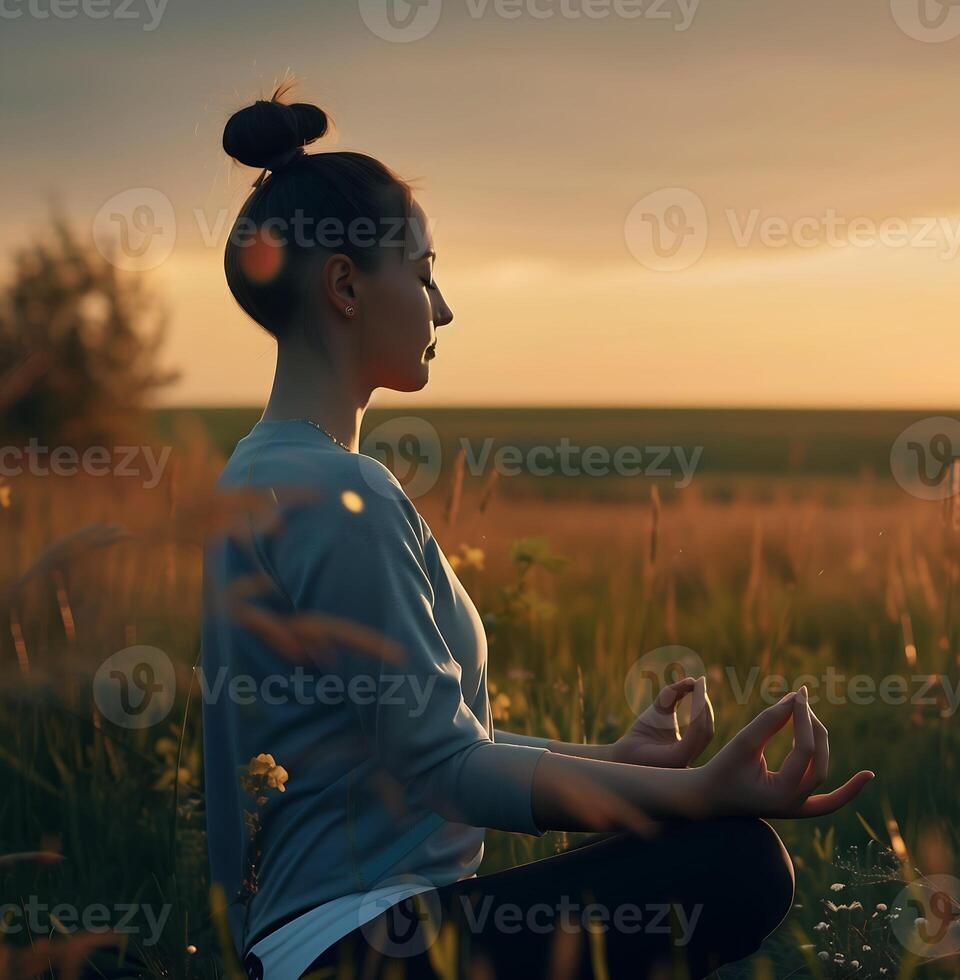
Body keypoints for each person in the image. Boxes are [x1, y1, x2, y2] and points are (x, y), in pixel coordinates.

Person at [199, 85, 875, 979]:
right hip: (360, 947)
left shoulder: (263, 472)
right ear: (347, 286)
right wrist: (692, 792)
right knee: (736, 862)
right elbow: (449, 769)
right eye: (425, 271)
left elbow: (420, 743)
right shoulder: (333, 491)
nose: (442, 309)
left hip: (335, 941)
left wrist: (612, 761)